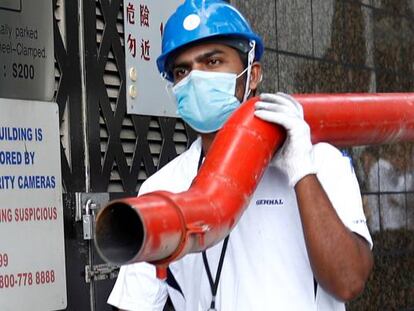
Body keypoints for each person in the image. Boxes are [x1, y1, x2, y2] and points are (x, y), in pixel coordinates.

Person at [108, 1, 373, 310]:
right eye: (183, 70)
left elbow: (349, 280)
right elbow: (133, 304)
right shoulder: (161, 189)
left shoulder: (320, 161)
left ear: (253, 74)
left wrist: (302, 171)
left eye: (213, 62)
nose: (196, 79)